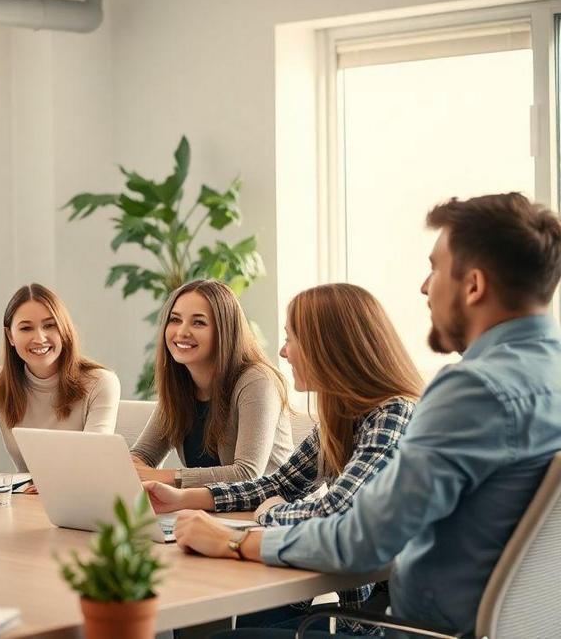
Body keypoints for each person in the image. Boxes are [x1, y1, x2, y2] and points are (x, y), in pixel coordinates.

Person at [166, 193, 561, 638]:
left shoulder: (473, 391)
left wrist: (236, 540)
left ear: (473, 286)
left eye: (434, 267)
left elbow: (362, 540)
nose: (425, 287)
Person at [148, 283, 421, 632]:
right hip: (350, 614)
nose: (283, 351)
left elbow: (333, 510)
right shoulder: (345, 416)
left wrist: (270, 513)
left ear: (331, 347)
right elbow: (281, 483)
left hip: (382, 626)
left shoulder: (394, 413)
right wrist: (185, 497)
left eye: (292, 338)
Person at [0, 283, 120, 481]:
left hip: (81, 500)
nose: (39, 338)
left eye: (49, 325)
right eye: (26, 328)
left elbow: (93, 460)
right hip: (25, 501)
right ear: (10, 336)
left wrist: (54, 483)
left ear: (64, 329)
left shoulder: (100, 382)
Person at [131, 279, 293, 488]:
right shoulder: (179, 385)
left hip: (278, 512)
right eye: (175, 320)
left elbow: (247, 473)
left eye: (198, 322)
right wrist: (130, 468)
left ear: (224, 331)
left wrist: (163, 477)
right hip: (215, 512)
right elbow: (142, 455)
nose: (181, 332)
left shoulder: (257, 381)